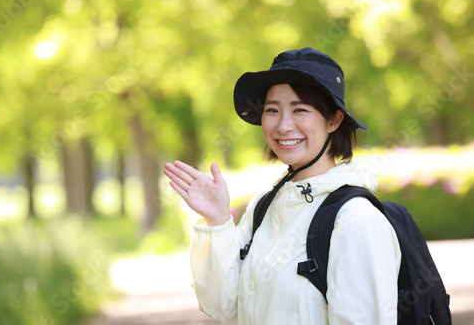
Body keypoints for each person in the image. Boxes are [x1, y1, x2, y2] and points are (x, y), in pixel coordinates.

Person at [164, 47, 401, 324]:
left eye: (300, 109)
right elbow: (222, 307)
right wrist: (217, 220)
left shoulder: (355, 220)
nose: (284, 126)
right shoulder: (264, 207)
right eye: (272, 110)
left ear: (334, 120)